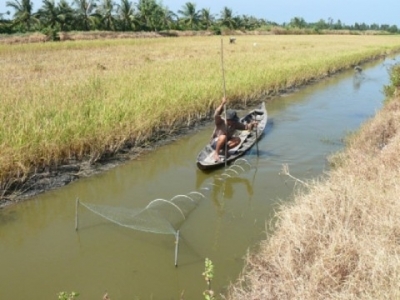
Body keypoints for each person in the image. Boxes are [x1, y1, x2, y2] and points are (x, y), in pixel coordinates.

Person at [211, 97, 257, 161]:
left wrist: (252, 124)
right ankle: (216, 153)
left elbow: (246, 127)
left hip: (225, 142)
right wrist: (222, 103)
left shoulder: (235, 124)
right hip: (215, 143)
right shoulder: (220, 121)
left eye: (234, 120)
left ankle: (225, 150)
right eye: (232, 120)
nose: (234, 122)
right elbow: (216, 113)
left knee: (238, 140)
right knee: (223, 137)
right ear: (228, 119)